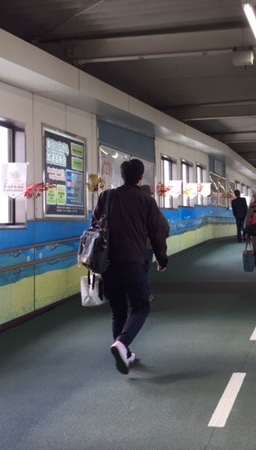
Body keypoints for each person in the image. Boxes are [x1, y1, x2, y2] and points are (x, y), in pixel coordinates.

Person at [92, 159, 169, 375]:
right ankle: (122, 343)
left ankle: (125, 355)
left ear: (121, 175)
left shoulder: (107, 196)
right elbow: (157, 232)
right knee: (141, 306)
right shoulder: (146, 200)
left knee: (118, 310)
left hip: (108, 263)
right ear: (140, 177)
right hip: (134, 261)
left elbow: (94, 225)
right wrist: (162, 258)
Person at [140, 184, 170, 302]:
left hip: (130, 246)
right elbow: (163, 228)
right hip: (147, 246)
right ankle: (146, 295)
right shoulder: (152, 209)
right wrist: (161, 258)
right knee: (145, 270)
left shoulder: (130, 208)